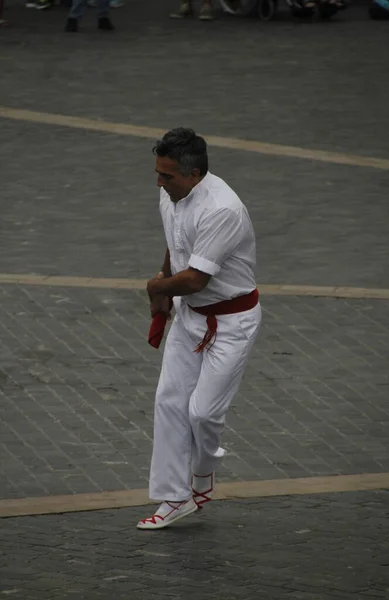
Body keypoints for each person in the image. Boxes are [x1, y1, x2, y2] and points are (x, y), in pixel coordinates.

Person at [137, 128, 261, 530]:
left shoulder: (223, 210)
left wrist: (157, 287)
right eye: (158, 173)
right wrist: (163, 276)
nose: (159, 181)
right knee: (170, 403)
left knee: (203, 413)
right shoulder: (171, 191)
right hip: (191, 316)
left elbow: (194, 280)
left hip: (231, 322)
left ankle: (203, 472)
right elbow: (176, 244)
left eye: (167, 176)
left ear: (193, 175)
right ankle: (174, 498)